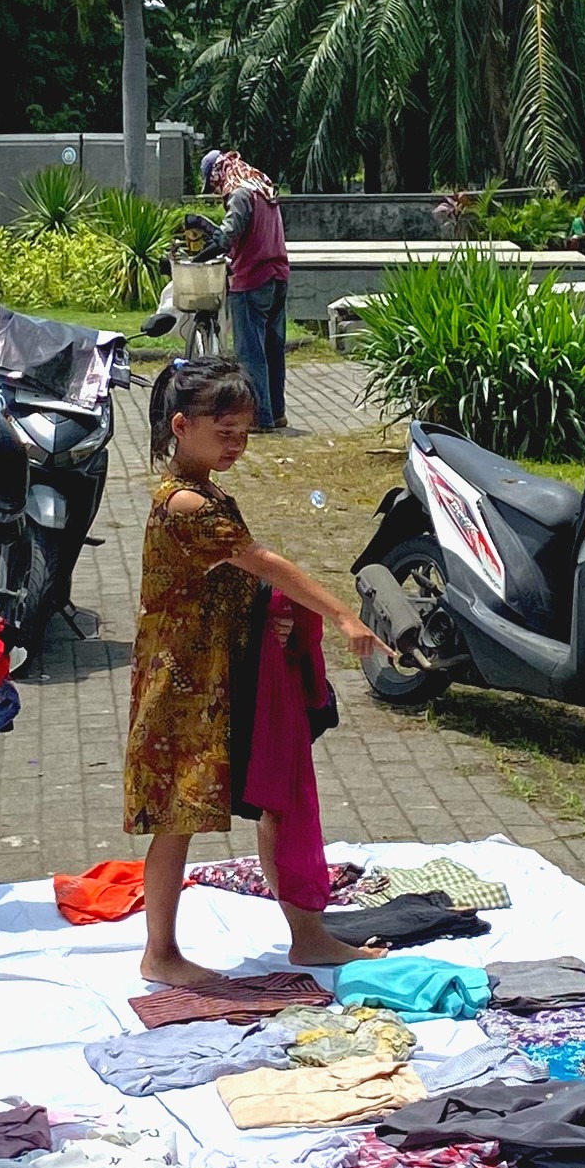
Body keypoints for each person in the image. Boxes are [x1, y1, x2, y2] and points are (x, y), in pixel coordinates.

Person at [126, 355, 386, 983]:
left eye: (244, 434)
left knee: (276, 797)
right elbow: (261, 561)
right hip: (185, 688)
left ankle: (309, 934)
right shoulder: (186, 503)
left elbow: (234, 581)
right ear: (181, 426)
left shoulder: (209, 491)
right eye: (225, 433)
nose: (237, 446)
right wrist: (345, 618)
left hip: (228, 677)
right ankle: (159, 954)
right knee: (178, 817)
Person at [203, 148, 291, 432]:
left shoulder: (240, 194)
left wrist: (209, 244)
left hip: (252, 279)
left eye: (214, 183)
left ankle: (259, 418)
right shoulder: (262, 186)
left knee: (250, 352)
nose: (217, 190)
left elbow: (229, 234)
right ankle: (277, 412)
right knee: (272, 350)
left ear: (219, 173)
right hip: (278, 277)